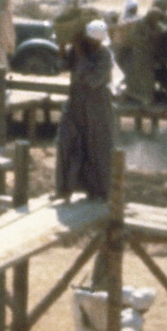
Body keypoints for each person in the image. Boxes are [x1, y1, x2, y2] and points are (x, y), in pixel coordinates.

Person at [57, 19, 116, 200]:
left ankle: (99, 191)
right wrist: (62, 47)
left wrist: (81, 54)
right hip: (75, 104)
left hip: (97, 107)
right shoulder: (78, 50)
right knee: (65, 142)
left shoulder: (104, 55)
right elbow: (61, 66)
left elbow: (93, 81)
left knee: (97, 148)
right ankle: (64, 189)